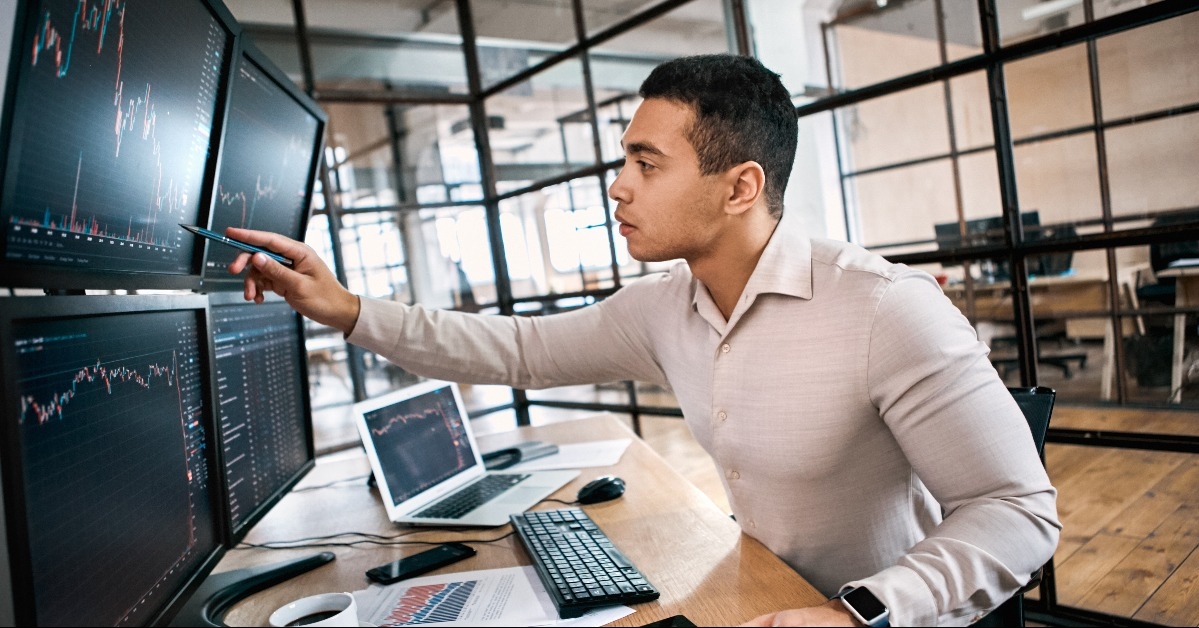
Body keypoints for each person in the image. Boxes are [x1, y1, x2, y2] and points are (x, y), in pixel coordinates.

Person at [228, 54, 1060, 627]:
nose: (617, 186)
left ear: (740, 187)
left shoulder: (884, 308)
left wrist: (866, 610)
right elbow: (514, 350)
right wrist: (344, 309)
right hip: (759, 590)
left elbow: (1015, 510)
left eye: (645, 164)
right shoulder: (663, 307)